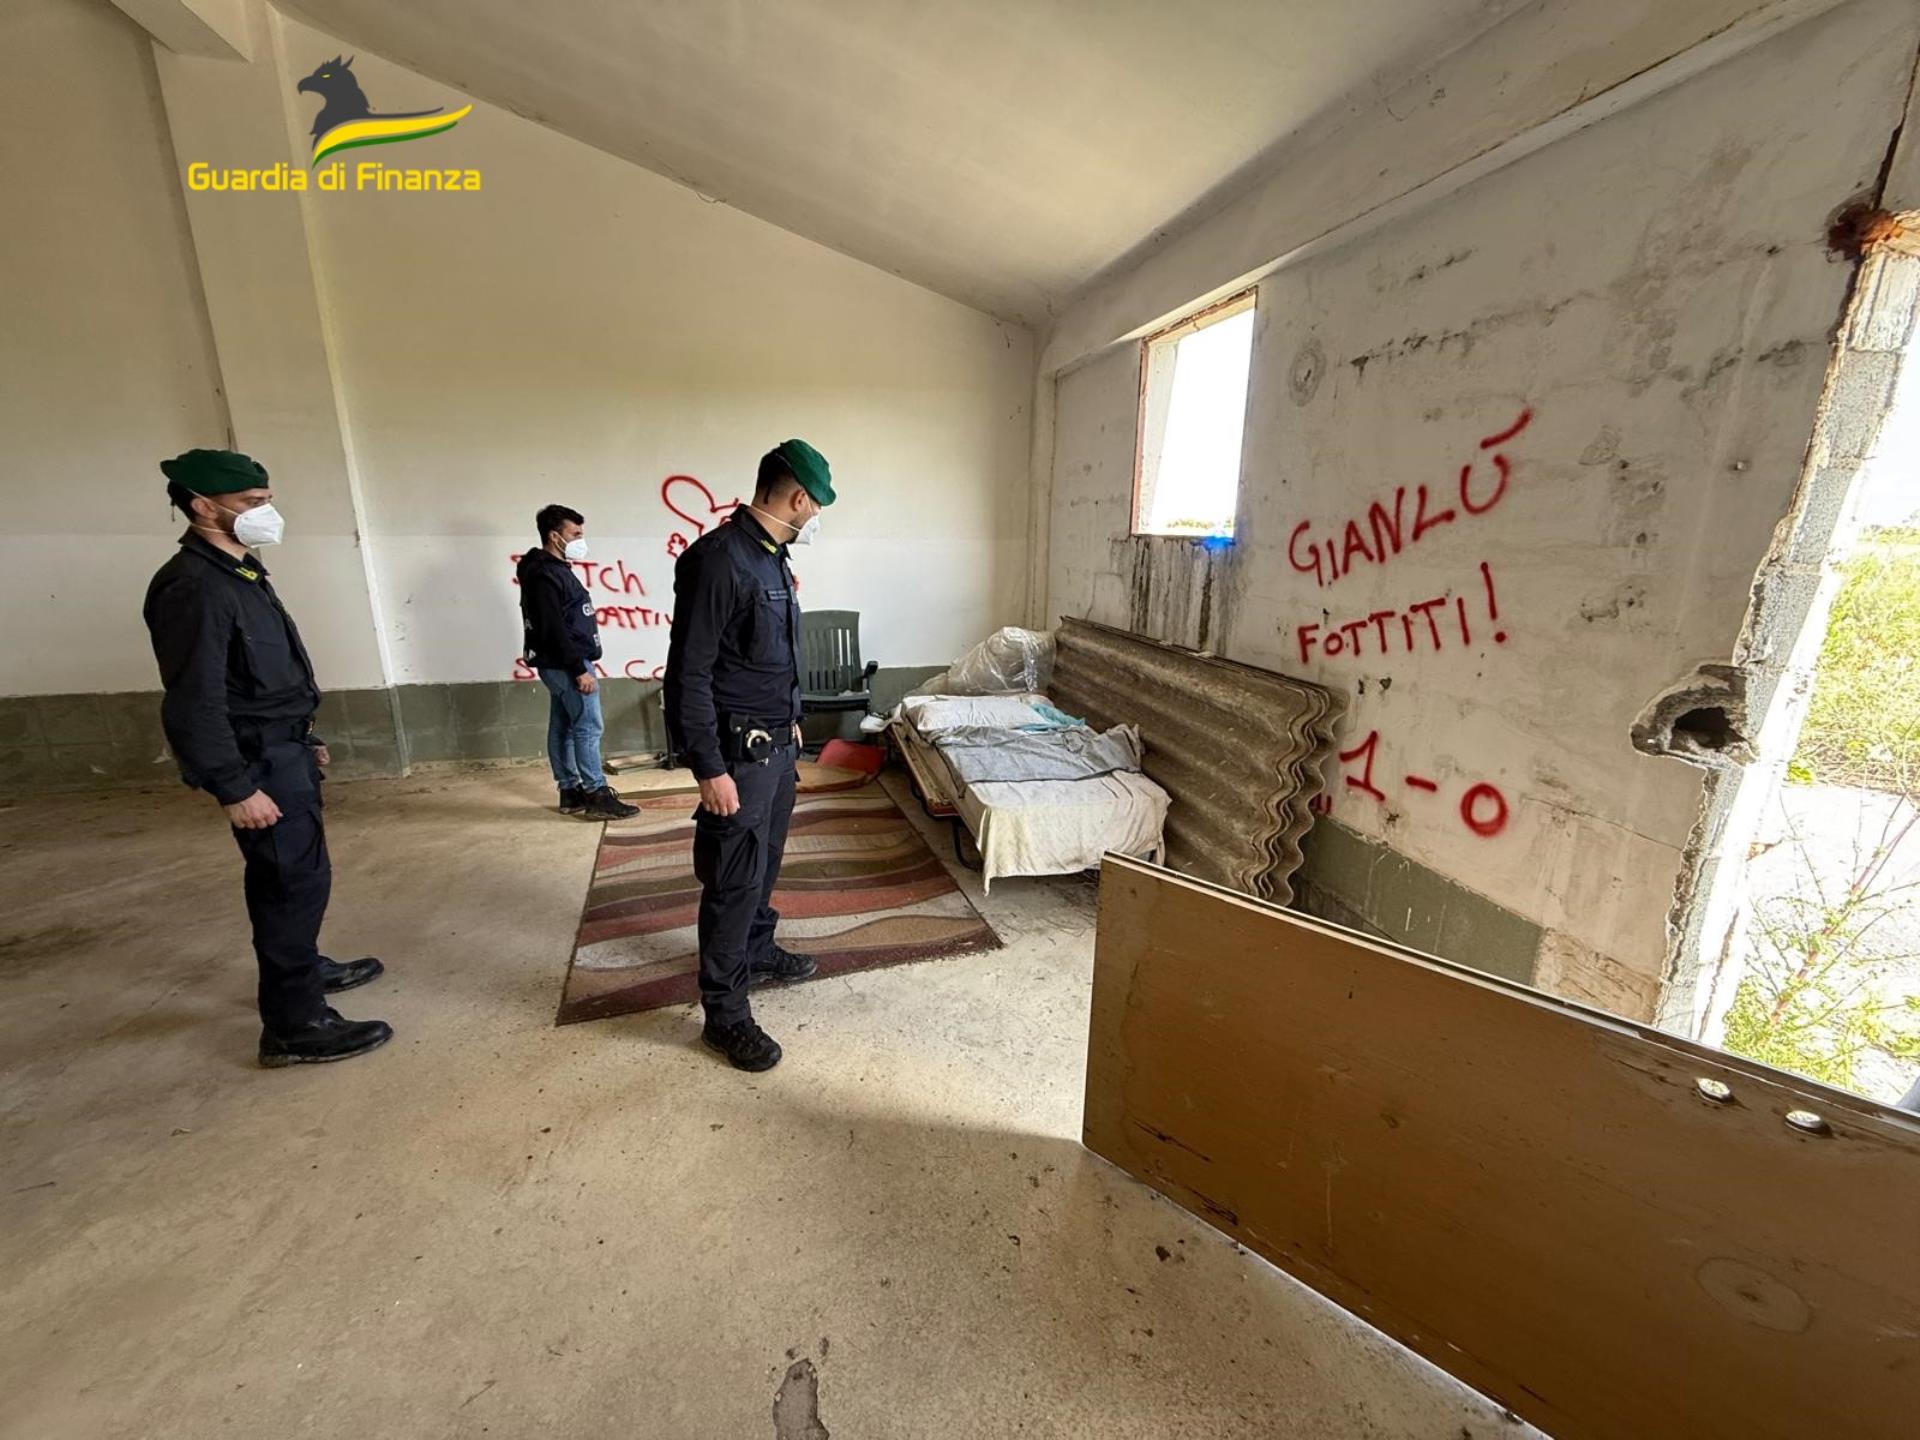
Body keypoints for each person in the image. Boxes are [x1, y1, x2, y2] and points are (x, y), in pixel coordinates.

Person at [143, 448, 392, 1067]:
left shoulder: (241, 572)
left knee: (303, 878)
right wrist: (233, 786)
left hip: (283, 750)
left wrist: (302, 737)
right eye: (252, 503)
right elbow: (194, 700)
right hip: (256, 764)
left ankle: (304, 966)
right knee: (287, 884)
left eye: (267, 501)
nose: (267, 513)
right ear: (204, 507)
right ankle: (294, 1024)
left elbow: (260, 677)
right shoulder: (193, 585)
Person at [664, 440, 835, 1071]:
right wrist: (709, 768)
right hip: (736, 758)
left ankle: (757, 951)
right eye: (817, 506)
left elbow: (770, 658)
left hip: (777, 748)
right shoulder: (718, 561)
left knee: (763, 867)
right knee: (732, 882)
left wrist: (793, 720)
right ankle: (725, 1014)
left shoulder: (771, 558)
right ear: (798, 498)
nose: (816, 517)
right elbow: (688, 674)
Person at [518, 504, 638, 821]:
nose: (580, 540)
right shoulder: (544, 575)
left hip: (560, 662)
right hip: (566, 663)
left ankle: (570, 791)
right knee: (588, 727)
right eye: (575, 534)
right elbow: (553, 628)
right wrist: (578, 670)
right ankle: (596, 793)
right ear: (554, 536)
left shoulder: (551, 570)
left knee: (564, 726)